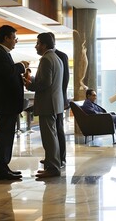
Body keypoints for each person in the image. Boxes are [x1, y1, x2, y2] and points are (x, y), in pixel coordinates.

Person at [0, 25, 29, 180]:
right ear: (6, 38)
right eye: (14, 38)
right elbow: (8, 73)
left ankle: (4, 167)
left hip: (8, 104)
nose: (15, 42)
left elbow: (9, 74)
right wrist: (21, 66)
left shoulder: (3, 53)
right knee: (4, 137)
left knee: (7, 137)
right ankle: (0, 170)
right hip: (5, 104)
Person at [25, 32, 64, 178]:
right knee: (51, 135)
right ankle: (51, 163)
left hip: (48, 103)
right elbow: (48, 79)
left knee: (49, 137)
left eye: (37, 43)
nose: (36, 46)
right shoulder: (56, 58)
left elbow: (45, 83)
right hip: (54, 103)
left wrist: (30, 85)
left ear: (44, 45)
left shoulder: (46, 59)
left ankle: (53, 168)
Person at [46, 32, 69, 168]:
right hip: (52, 98)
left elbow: (65, 79)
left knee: (59, 128)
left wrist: (63, 97)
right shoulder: (47, 56)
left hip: (58, 98)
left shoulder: (61, 55)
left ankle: (61, 157)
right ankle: (51, 156)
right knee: (51, 130)